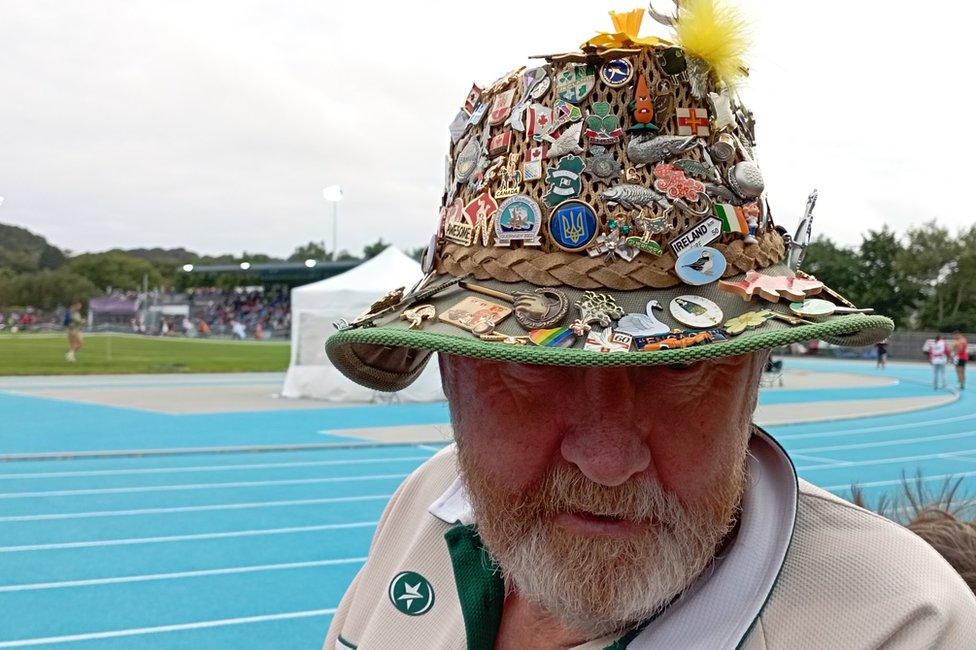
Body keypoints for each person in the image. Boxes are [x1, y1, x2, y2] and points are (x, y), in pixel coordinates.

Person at [322, 6, 976, 647]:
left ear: (752, 372)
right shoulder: (423, 507)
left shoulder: (903, 626)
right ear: (451, 369)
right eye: (534, 362)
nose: (606, 463)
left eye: (680, 364)